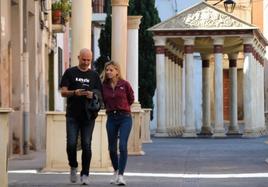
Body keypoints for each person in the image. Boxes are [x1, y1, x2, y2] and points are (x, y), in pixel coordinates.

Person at [60, 48, 102, 185]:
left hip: (89, 116)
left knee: (86, 144)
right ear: (78, 57)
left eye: (88, 60)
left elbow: (100, 94)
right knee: (71, 144)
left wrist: (93, 95)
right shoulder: (70, 72)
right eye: (83, 59)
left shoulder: (94, 75)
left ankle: (85, 174)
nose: (86, 62)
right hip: (72, 114)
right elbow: (63, 92)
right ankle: (73, 165)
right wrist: (75, 92)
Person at [101, 61, 134, 185]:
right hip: (111, 118)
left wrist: (123, 107)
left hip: (125, 117)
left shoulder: (125, 84)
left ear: (117, 71)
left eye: (111, 70)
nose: (108, 72)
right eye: (107, 70)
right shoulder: (104, 86)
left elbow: (131, 98)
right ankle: (116, 171)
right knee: (112, 148)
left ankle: (121, 176)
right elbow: (102, 99)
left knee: (123, 146)